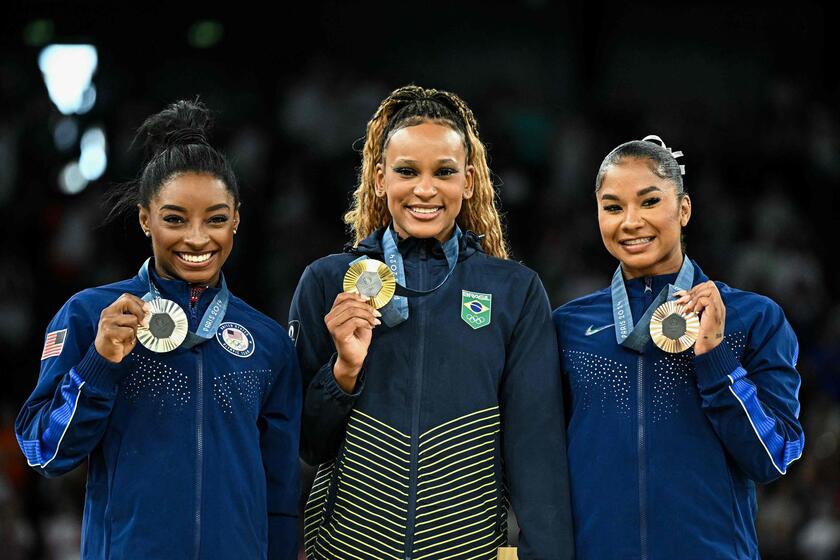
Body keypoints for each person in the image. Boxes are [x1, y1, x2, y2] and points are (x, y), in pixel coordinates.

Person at [289, 85, 573, 560]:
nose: (425, 189)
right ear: (380, 179)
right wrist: (342, 373)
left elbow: (536, 453)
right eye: (407, 171)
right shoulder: (327, 283)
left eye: (444, 172)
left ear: (469, 179)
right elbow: (305, 445)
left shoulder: (515, 292)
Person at [15, 100, 301, 559]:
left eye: (216, 219)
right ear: (145, 218)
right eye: (174, 219)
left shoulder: (267, 340)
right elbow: (44, 452)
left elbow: (281, 493)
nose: (196, 238)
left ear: (237, 219)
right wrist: (99, 363)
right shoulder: (91, 316)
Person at [553, 135, 804, 559]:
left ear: (683, 209)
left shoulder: (754, 317)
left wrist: (715, 357)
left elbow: (773, 456)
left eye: (649, 202)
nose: (630, 221)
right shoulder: (568, 326)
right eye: (613, 207)